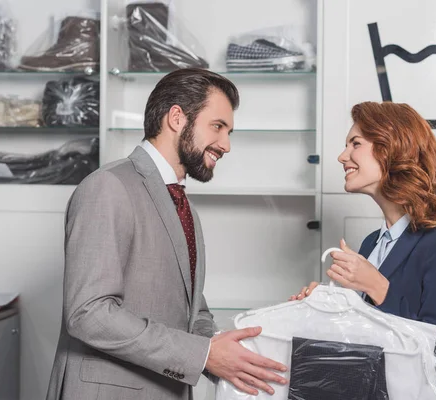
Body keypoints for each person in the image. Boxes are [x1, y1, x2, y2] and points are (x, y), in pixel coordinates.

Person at [47, 68, 287, 400]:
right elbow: (89, 314)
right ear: (176, 118)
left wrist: (223, 348)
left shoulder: (178, 202)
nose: (226, 145)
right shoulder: (109, 186)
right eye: (217, 126)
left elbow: (190, 308)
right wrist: (202, 355)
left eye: (229, 131)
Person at [292, 101, 436, 343]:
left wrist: (377, 287)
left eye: (355, 144)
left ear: (392, 149)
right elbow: (367, 336)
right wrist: (323, 307)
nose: (342, 156)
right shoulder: (371, 244)